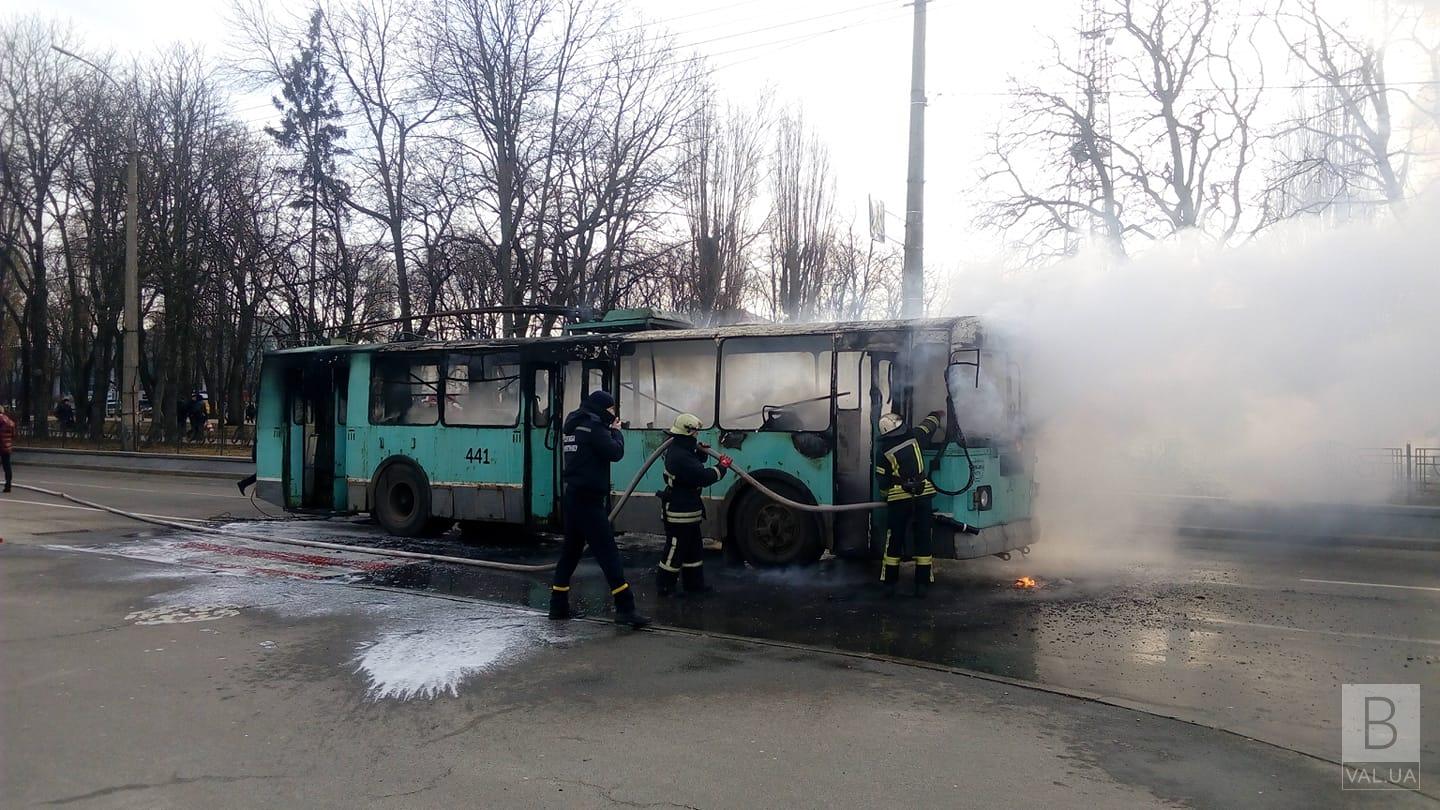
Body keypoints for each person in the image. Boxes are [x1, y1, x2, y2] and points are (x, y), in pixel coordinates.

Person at [550, 389, 651, 628]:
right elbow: (615, 452)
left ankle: (558, 605)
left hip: (574, 498)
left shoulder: (574, 425)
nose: (613, 413)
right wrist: (617, 432)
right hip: (589, 501)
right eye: (611, 409)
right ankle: (625, 608)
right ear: (602, 408)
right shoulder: (595, 428)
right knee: (608, 554)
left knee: (570, 554)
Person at [656, 413, 731, 597]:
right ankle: (665, 587)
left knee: (693, 550)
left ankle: (694, 585)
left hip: (687, 509)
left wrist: (699, 454)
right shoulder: (680, 455)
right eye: (696, 433)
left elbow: (691, 468)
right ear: (689, 432)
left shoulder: (681, 450)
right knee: (675, 549)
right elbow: (702, 477)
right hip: (679, 511)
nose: (698, 436)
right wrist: (721, 467)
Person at [875, 410, 946, 597]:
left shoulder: (882, 451)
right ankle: (922, 584)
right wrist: (936, 415)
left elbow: (882, 481)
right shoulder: (915, 436)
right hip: (923, 494)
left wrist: (885, 496)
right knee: (923, 538)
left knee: (894, 540)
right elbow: (927, 426)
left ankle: (890, 584)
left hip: (899, 498)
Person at [0, 405, 15, 493]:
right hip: (7, 446)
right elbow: (13, 434)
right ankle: (8, 485)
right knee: (7, 466)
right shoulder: (9, 420)